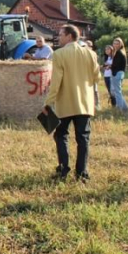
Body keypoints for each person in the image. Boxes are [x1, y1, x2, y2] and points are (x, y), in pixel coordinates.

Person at [43, 24, 99, 182]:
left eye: (60, 34)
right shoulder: (91, 54)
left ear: (69, 36)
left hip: (65, 103)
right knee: (83, 138)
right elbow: (97, 78)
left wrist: (48, 102)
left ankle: (63, 169)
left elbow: (56, 81)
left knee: (61, 135)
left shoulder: (59, 54)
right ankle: (82, 173)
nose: (58, 37)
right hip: (85, 103)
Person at [110, 37, 128, 112]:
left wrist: (108, 66)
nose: (115, 45)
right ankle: (125, 108)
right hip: (120, 73)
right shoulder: (121, 52)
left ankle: (121, 109)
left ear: (121, 44)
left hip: (117, 73)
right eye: (114, 43)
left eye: (117, 43)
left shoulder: (119, 53)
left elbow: (115, 64)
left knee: (117, 92)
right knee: (117, 91)